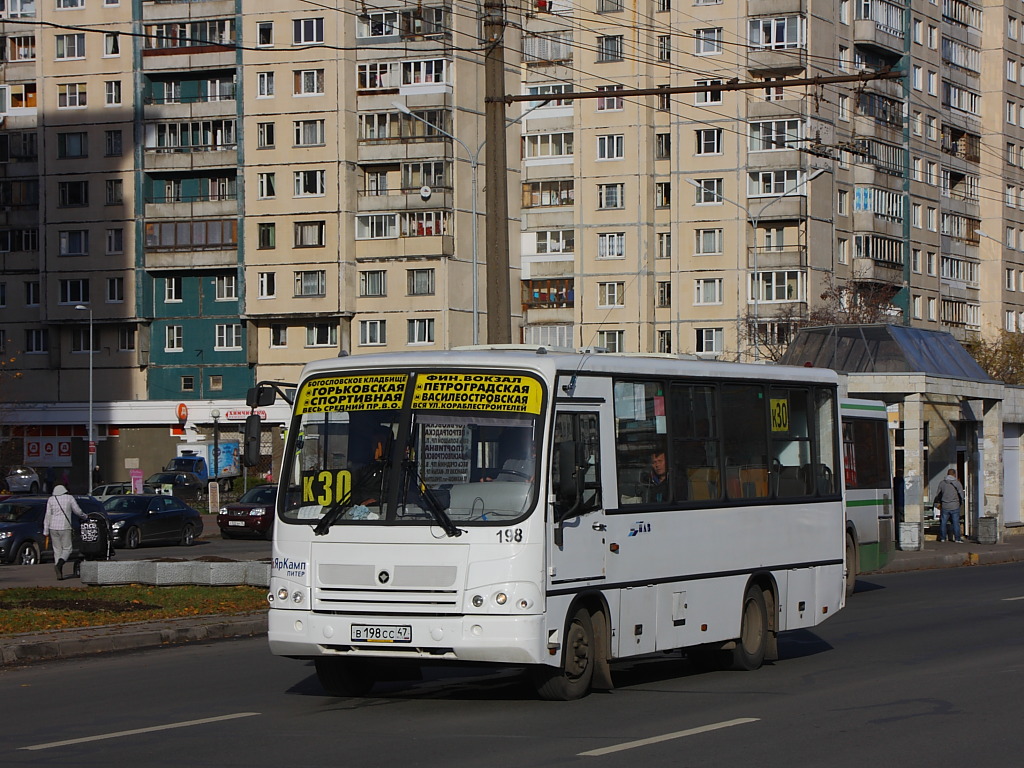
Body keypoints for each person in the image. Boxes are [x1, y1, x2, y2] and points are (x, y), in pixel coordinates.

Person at [43, 484, 89, 580]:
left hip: (53, 527)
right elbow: (77, 511)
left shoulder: (51, 499)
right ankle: (60, 564)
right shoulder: (69, 498)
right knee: (68, 549)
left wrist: (46, 530)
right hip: (65, 526)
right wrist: (85, 516)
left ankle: (59, 572)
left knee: (57, 550)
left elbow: (47, 515)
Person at [935, 468, 966, 543]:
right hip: (955, 505)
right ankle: (957, 539)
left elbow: (938, 494)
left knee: (943, 522)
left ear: (947, 474)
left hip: (945, 505)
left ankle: (942, 538)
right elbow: (961, 495)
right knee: (956, 523)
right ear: (954, 474)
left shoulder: (942, 483)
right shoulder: (957, 483)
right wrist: (961, 502)